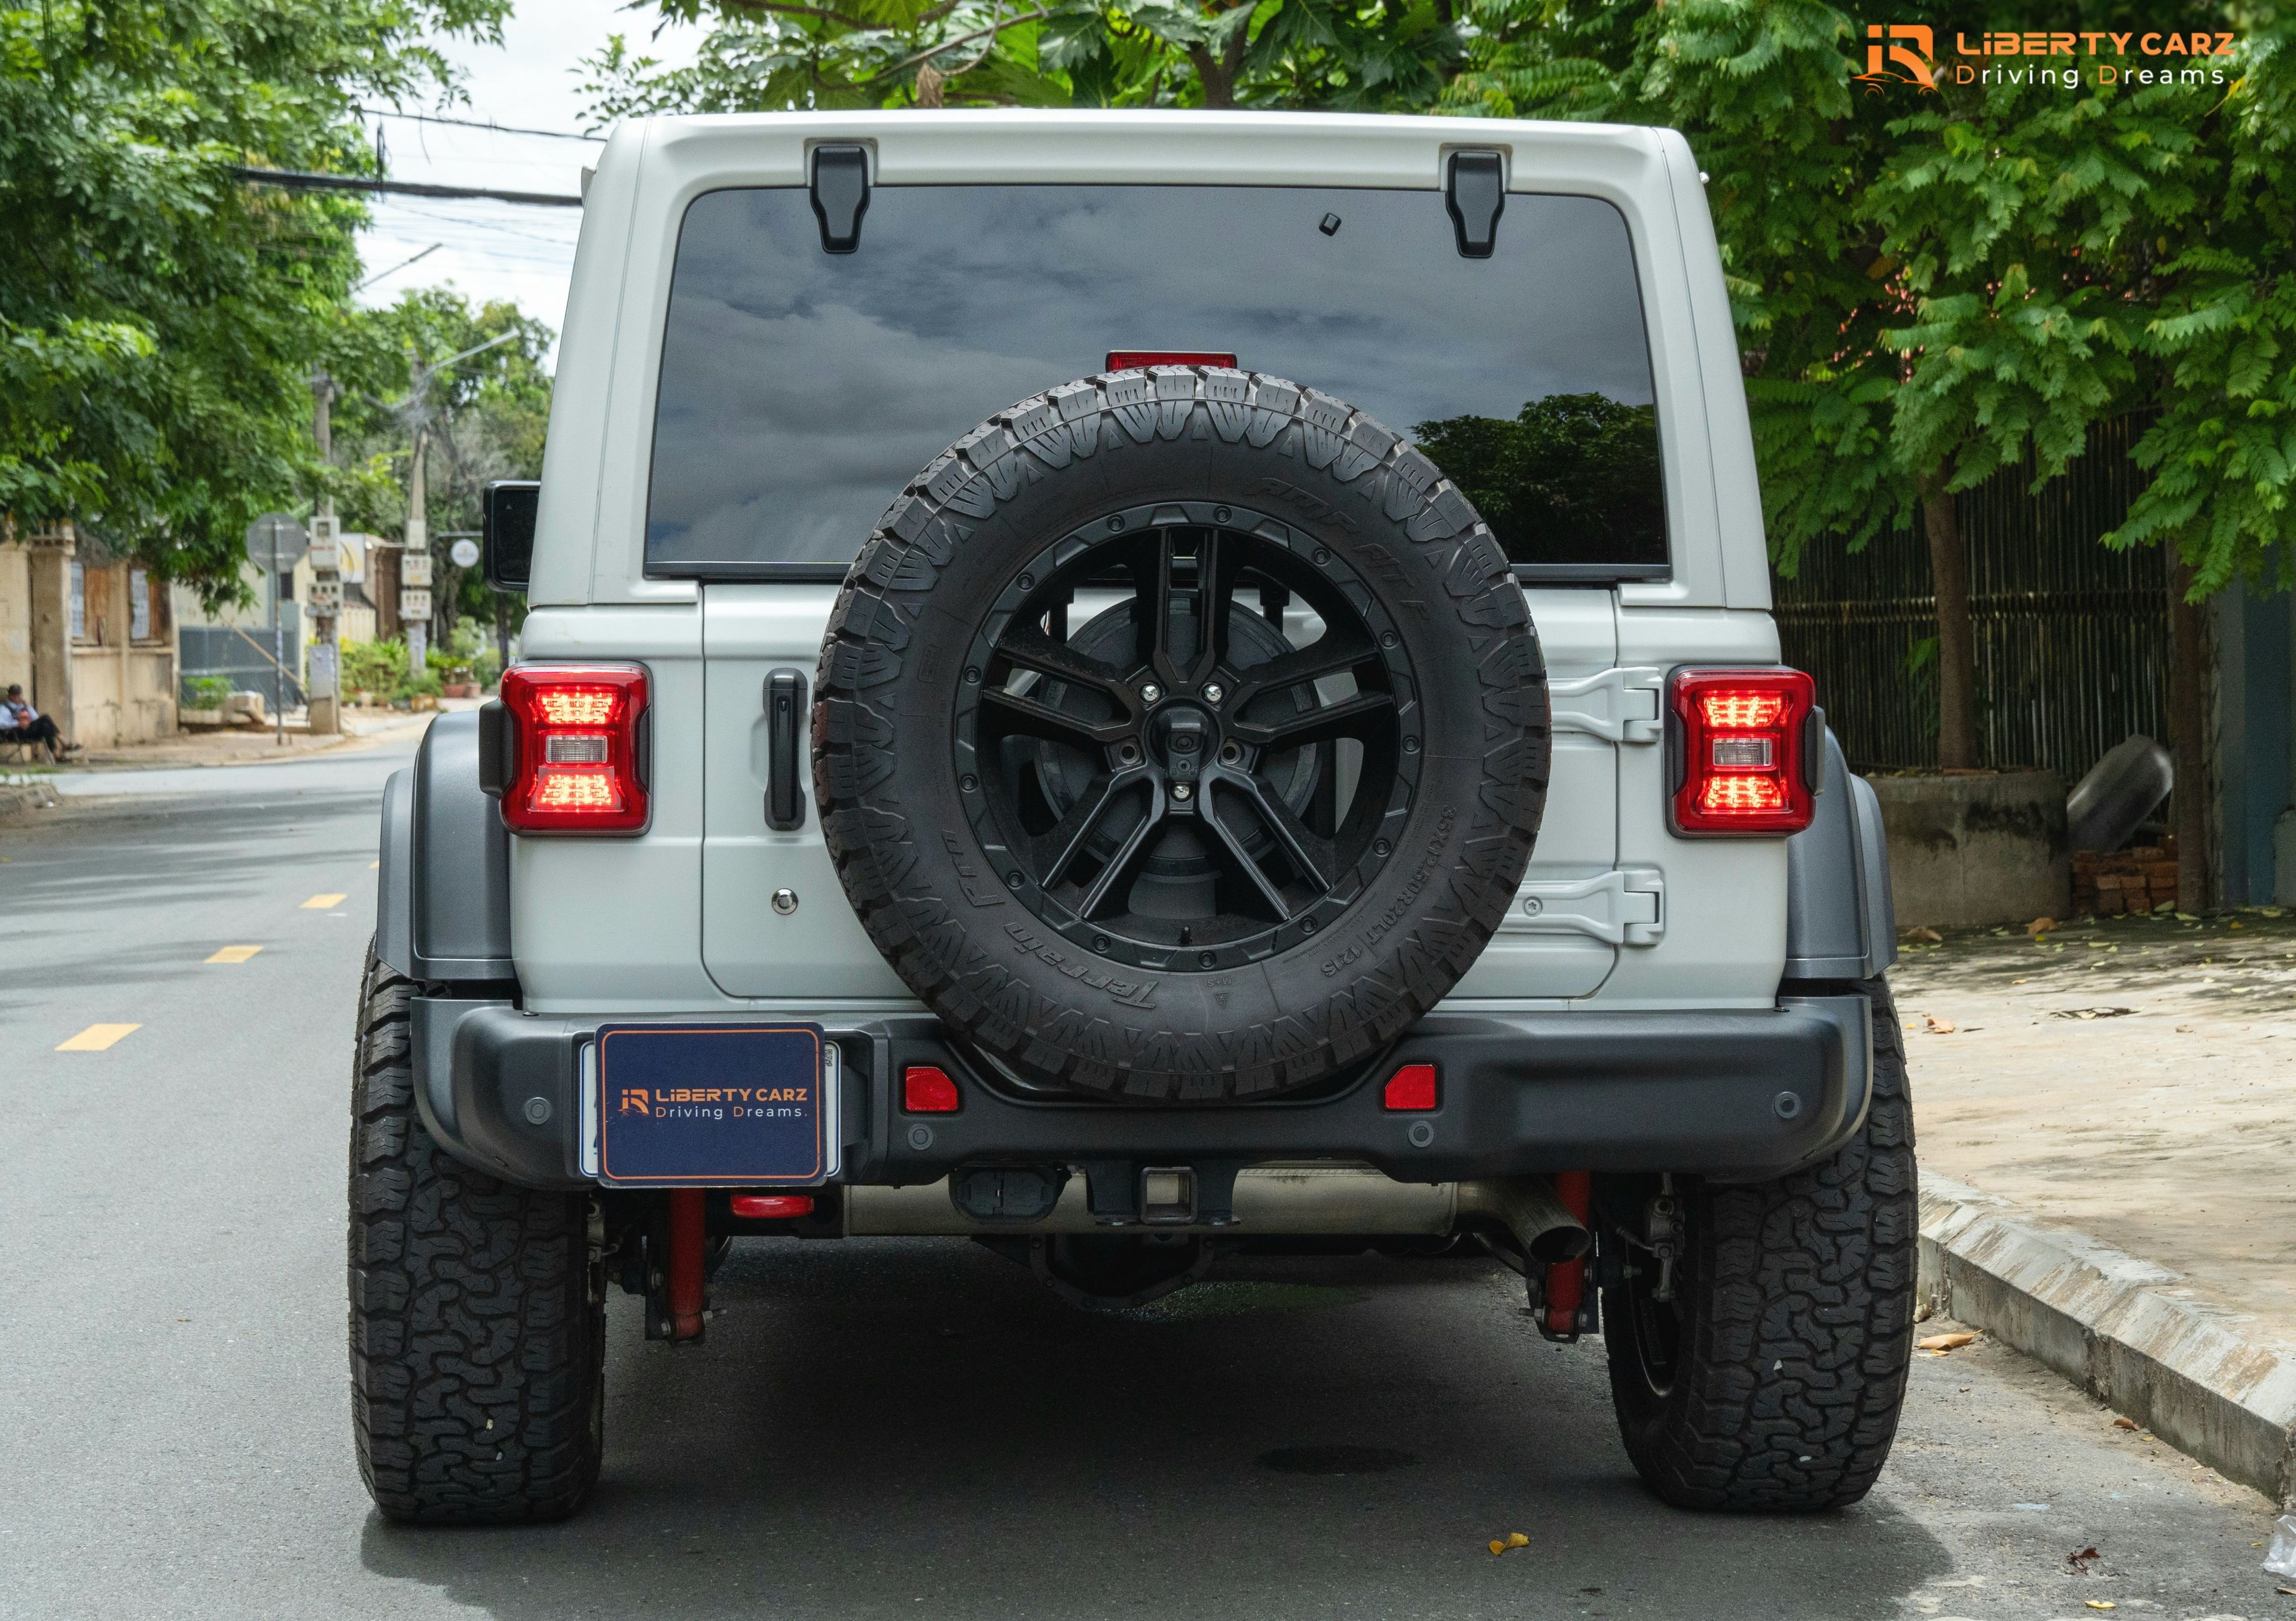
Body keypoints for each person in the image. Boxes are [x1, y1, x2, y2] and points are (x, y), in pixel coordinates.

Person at [1, 684, 76, 762]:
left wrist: (28, 706)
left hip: (28, 730)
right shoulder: (4, 708)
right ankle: (64, 744)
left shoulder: (23, 706)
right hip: (15, 733)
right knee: (46, 718)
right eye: (14, 695)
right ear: (9, 696)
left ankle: (56, 756)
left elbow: (35, 718)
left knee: (46, 726)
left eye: (19, 695)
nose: (17, 698)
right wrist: (18, 724)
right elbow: (1, 724)